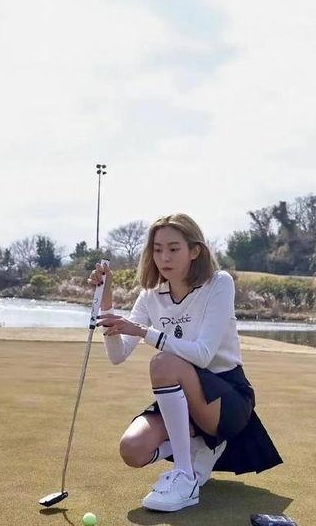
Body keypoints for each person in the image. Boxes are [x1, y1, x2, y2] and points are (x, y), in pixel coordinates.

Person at [89, 213, 282, 512]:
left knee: (163, 363)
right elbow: (118, 355)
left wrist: (143, 332)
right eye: (157, 249)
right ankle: (200, 445)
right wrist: (106, 305)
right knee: (133, 449)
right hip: (181, 395)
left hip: (226, 397)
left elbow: (203, 354)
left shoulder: (219, 283)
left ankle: (185, 476)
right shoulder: (151, 295)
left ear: (194, 251)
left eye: (173, 248)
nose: (164, 257)